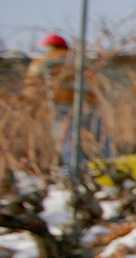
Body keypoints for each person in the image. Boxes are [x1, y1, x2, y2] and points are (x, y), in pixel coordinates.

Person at [24, 32, 109, 176]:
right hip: (88, 106)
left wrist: (30, 104)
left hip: (61, 107)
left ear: (51, 47)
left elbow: (32, 85)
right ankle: (112, 167)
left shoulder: (43, 62)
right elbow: (95, 84)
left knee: (68, 142)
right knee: (102, 138)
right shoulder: (81, 61)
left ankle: (76, 174)